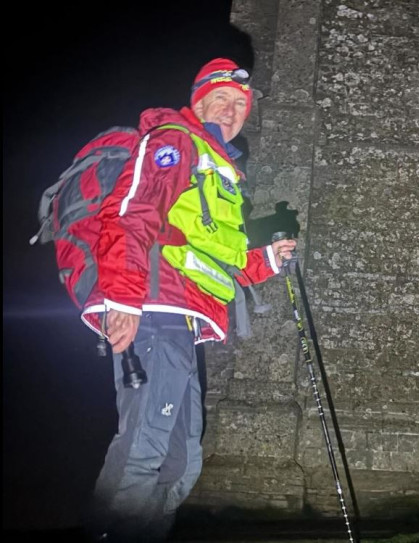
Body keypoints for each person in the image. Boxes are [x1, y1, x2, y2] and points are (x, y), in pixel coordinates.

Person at [80, 57, 297, 542]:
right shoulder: (175, 143)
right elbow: (132, 213)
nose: (230, 110)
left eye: (239, 104)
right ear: (198, 103)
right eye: (220, 99)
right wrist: (124, 301)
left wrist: (268, 260)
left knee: (182, 462)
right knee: (145, 449)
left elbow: (219, 260)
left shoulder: (222, 171)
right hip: (152, 311)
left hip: (183, 320)